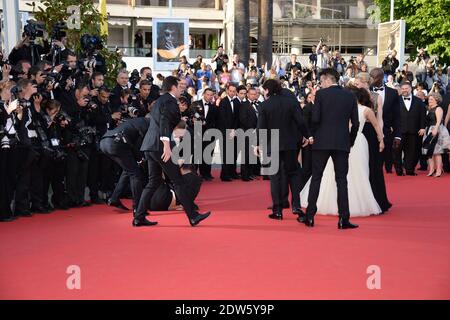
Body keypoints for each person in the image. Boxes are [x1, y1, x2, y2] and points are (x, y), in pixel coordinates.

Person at [137, 76, 211, 227]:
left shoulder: (160, 101)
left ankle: (138, 216)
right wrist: (166, 145)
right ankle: (193, 216)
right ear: (172, 87)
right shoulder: (169, 101)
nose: (181, 89)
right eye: (179, 86)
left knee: (153, 181)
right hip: (159, 147)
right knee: (178, 181)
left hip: (150, 146)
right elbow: (164, 122)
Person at [301, 85, 385, 218]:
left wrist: (381, 139)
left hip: (340, 142)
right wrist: (380, 140)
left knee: (330, 175)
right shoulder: (362, 109)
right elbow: (365, 125)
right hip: (349, 141)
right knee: (345, 177)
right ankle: (344, 216)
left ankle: (310, 214)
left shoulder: (349, 108)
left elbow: (374, 124)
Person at [301, 68, 360, 229]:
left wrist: (314, 134)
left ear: (328, 79)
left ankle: (310, 216)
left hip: (321, 143)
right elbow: (356, 123)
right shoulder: (350, 95)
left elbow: (316, 118)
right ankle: (343, 219)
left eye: (321, 81)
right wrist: (350, 141)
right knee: (342, 181)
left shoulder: (321, 95)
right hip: (342, 143)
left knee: (316, 178)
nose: (320, 84)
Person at [256, 79, 310, 220]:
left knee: (275, 176)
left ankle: (278, 210)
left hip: (271, 144)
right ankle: (296, 206)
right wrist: (307, 135)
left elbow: (261, 127)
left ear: (267, 90)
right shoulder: (291, 102)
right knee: (293, 173)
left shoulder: (264, 106)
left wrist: (258, 144)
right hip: (290, 143)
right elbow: (301, 121)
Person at [354, 73, 392, 213]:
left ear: (365, 83)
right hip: (358, 131)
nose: (356, 85)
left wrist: (380, 136)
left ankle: (377, 200)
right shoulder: (353, 95)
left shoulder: (376, 97)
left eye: (358, 83)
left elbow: (379, 119)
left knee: (373, 166)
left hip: (371, 132)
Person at [369, 68, 401, 174]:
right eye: (371, 77)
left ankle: (387, 170)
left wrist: (397, 135)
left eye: (375, 77)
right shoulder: (365, 91)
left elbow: (397, 116)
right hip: (368, 128)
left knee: (387, 155)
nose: (373, 79)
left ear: (382, 78)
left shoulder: (392, 93)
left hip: (387, 129)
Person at [397, 81, 427, 176]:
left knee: (412, 152)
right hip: (399, 130)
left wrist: (422, 127)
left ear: (411, 89)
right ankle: (399, 170)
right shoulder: (396, 100)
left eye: (406, 88)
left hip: (414, 130)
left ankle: (410, 170)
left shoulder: (418, 101)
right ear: (400, 90)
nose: (404, 90)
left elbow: (423, 115)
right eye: (403, 88)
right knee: (396, 151)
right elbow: (391, 115)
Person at [190, 87, 219, 181]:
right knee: (196, 154)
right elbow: (194, 114)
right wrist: (201, 119)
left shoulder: (214, 107)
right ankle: (194, 174)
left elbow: (215, 121)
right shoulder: (195, 104)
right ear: (203, 94)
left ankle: (206, 173)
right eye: (208, 94)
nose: (209, 97)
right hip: (197, 133)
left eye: (211, 95)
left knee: (207, 154)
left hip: (209, 134)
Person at [423, 92, 450, 177]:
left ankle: (438, 170)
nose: (429, 101)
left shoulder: (438, 109)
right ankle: (431, 169)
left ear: (436, 100)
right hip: (428, 130)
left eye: (431, 99)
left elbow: (439, 121)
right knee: (429, 152)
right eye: (429, 99)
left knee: (437, 152)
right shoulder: (428, 109)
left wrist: (435, 130)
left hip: (436, 130)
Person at [218, 83, 240, 181]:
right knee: (226, 154)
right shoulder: (223, 102)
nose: (232, 93)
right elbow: (223, 118)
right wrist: (229, 130)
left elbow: (237, 118)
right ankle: (225, 175)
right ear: (227, 91)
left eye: (233, 91)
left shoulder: (236, 102)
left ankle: (233, 172)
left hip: (234, 132)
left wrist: (234, 130)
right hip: (225, 132)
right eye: (230, 91)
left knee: (234, 153)